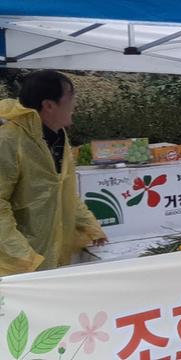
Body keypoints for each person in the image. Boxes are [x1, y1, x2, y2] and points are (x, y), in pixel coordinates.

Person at [0, 70, 106, 275]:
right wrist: (21, 256)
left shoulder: (57, 136)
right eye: (71, 97)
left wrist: (89, 225)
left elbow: (64, 190)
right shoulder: (9, 140)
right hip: (21, 264)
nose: (75, 105)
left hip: (51, 254)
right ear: (49, 105)